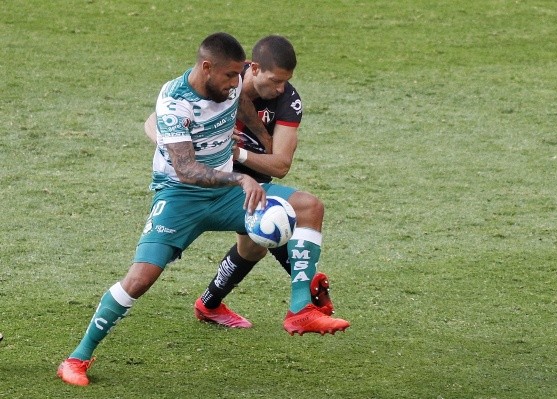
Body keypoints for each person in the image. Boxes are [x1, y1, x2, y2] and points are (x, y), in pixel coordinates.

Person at [57, 32, 350, 387]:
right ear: (206, 68)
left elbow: (240, 100)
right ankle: (77, 358)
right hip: (181, 196)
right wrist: (240, 179)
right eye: (229, 77)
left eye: (239, 76)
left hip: (223, 191)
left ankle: (300, 310)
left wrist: (261, 133)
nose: (236, 84)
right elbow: (186, 169)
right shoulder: (175, 101)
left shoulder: (232, 81)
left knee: (308, 206)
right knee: (139, 279)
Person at [144, 35, 335, 329]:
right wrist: (176, 145)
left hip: (250, 173)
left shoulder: (287, 101)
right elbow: (154, 121)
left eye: (285, 82)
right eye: (274, 81)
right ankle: (305, 293)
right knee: (262, 232)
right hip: (206, 175)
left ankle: (210, 304)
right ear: (253, 69)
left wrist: (241, 151)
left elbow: (281, 164)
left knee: (255, 244)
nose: (280, 88)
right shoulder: (220, 79)